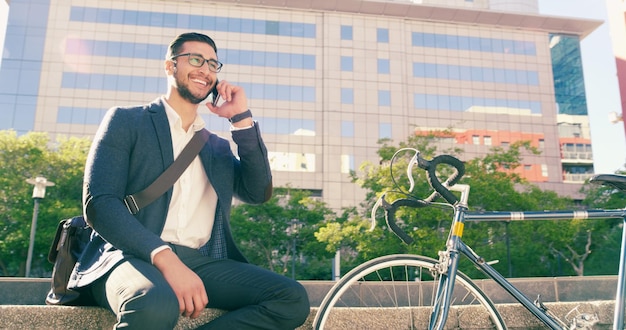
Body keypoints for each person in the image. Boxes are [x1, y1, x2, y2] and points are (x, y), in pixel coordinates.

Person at [69, 32, 310, 329]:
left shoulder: (215, 148)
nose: (205, 69)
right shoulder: (127, 121)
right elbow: (100, 204)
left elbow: (258, 191)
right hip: (126, 255)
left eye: (212, 63)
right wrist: (165, 258)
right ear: (170, 66)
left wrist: (242, 121)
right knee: (154, 303)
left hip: (199, 262)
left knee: (290, 298)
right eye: (195, 59)